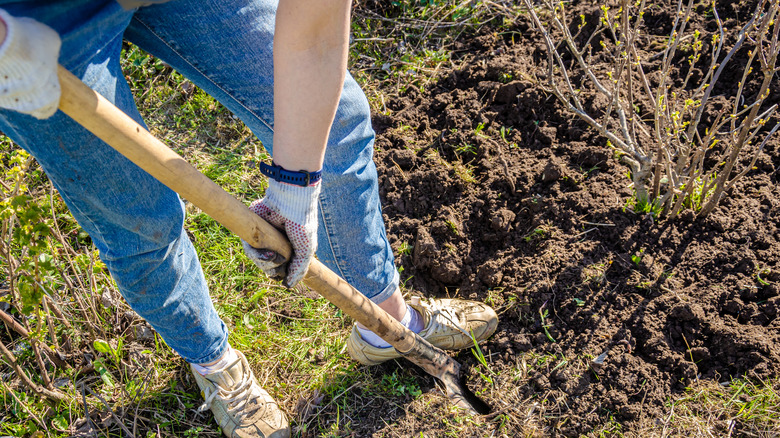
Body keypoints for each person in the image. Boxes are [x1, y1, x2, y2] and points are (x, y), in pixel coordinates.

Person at [0, 1, 498, 436]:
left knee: (338, 122)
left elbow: (318, 35)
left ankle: (384, 325)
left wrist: (295, 188)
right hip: (25, 25)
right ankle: (214, 363)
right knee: (139, 218)